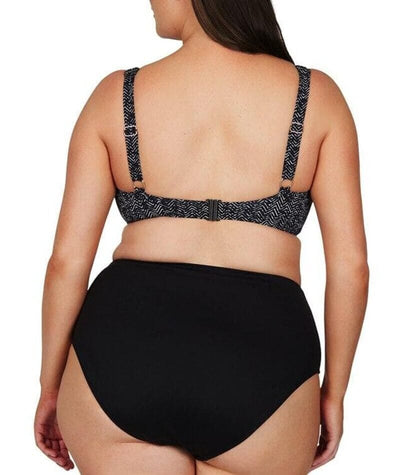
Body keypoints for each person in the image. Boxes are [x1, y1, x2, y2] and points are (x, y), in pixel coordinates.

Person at [34, 1, 369, 473]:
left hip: (123, 354)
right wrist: (333, 394)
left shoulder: (115, 95)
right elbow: (351, 267)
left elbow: (66, 264)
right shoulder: (317, 97)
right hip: (262, 363)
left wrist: (51, 387)